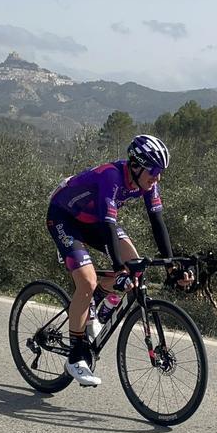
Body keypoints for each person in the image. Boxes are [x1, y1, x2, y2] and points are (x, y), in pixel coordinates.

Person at [45, 134, 190, 387]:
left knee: (134, 265)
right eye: (154, 171)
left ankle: (95, 304)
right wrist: (117, 270)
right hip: (64, 218)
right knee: (87, 282)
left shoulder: (148, 183)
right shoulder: (111, 177)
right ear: (136, 166)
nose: (157, 178)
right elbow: (108, 226)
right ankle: (76, 356)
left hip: (92, 222)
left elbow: (158, 223)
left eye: (160, 172)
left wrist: (171, 267)